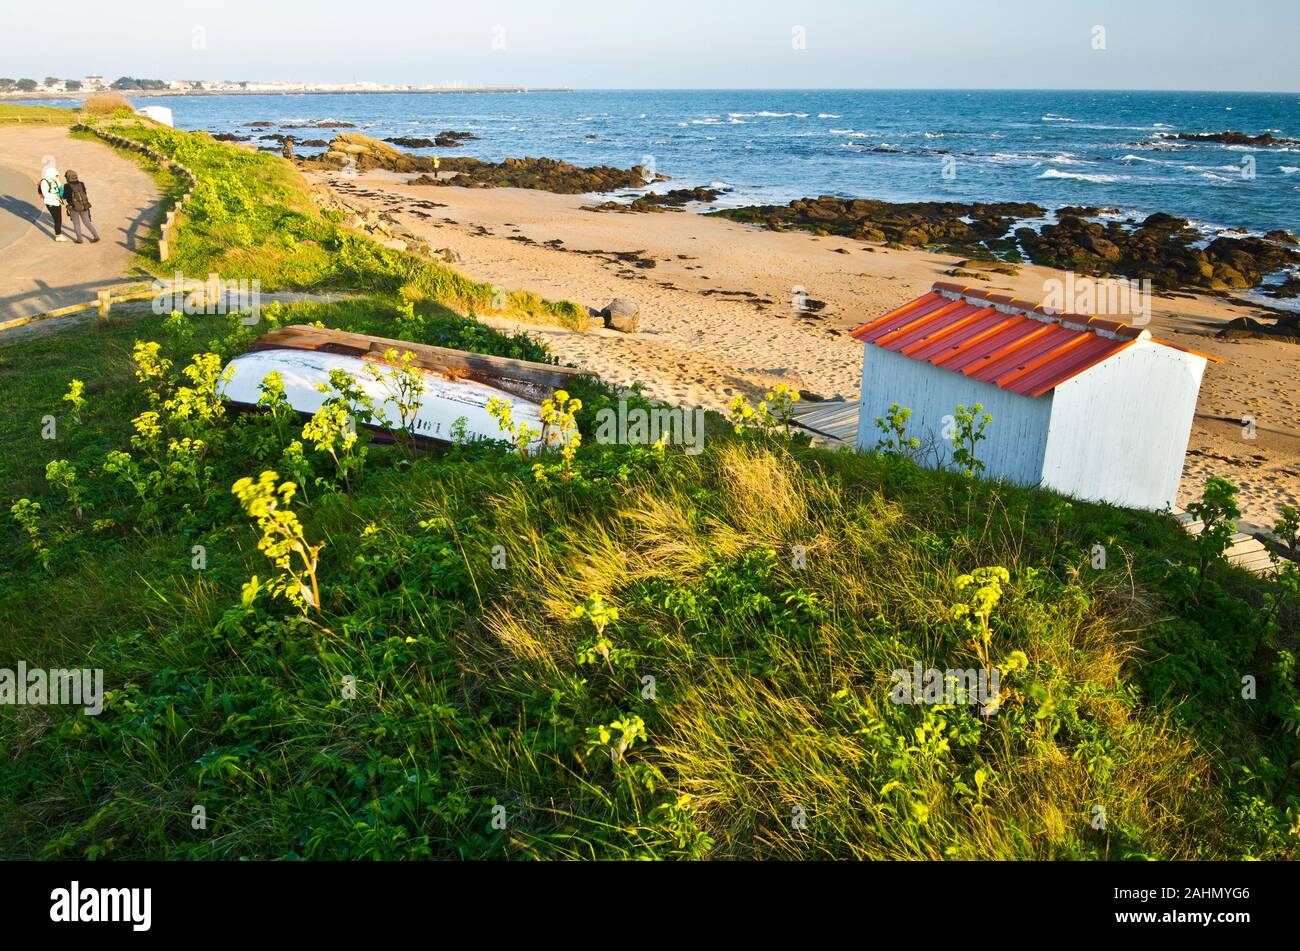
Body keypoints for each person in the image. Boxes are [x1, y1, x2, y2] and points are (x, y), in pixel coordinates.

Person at [61, 170, 100, 244]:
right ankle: (96, 236)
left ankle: (79, 239)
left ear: (68, 177)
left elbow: (65, 197)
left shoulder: (67, 185)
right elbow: (84, 193)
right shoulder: (81, 183)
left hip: (73, 207)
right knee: (87, 222)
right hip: (84, 205)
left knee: (76, 224)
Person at [39, 165, 68, 242]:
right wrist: (56, 196)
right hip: (50, 203)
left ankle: (58, 235)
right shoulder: (44, 182)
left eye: (57, 175)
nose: (56, 177)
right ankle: (58, 236)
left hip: (57, 202)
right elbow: (46, 194)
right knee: (57, 220)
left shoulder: (55, 179)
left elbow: (60, 187)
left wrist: (61, 194)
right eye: (55, 175)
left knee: (59, 219)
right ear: (50, 175)